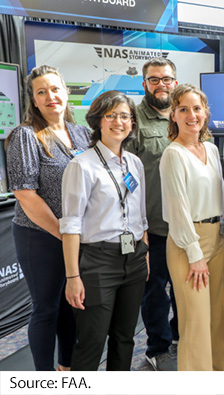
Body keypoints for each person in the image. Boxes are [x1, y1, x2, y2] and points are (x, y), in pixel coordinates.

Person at [5, 65, 91, 371]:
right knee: (46, 308)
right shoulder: (25, 136)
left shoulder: (82, 133)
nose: (50, 96)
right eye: (42, 92)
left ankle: (65, 368)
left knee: (72, 305)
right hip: (39, 235)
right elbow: (26, 194)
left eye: (55, 89)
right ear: (34, 100)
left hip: (74, 234)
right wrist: (65, 235)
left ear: (66, 92)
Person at [61, 90, 149, 371]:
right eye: (110, 115)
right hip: (98, 263)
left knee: (125, 339)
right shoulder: (81, 165)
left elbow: (140, 215)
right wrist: (73, 276)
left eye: (125, 115)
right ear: (97, 121)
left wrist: (143, 252)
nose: (118, 121)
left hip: (134, 259)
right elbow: (71, 225)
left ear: (132, 122)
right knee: (92, 340)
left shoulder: (134, 163)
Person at [160, 84, 224, 371]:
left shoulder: (212, 149)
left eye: (197, 108)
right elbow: (178, 211)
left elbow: (221, 195)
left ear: (206, 113)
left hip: (215, 238)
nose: (192, 115)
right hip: (187, 242)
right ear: (174, 116)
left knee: (216, 318)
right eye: (183, 109)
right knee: (195, 323)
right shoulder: (173, 154)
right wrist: (195, 254)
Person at [126, 56, 179, 371]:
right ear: (144, 83)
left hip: (187, 225)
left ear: (175, 81)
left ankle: (178, 336)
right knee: (155, 290)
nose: (162, 85)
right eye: (154, 79)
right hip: (154, 226)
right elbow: (126, 175)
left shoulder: (185, 113)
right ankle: (158, 348)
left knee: (185, 288)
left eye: (167, 79)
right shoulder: (134, 119)